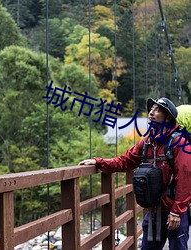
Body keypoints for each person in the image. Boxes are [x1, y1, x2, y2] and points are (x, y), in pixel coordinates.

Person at [78, 97, 191, 250]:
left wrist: (177, 212)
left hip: (174, 211)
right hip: (154, 210)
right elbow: (125, 161)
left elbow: (185, 179)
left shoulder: (180, 143)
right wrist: (99, 162)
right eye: (151, 109)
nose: (151, 112)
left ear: (168, 117)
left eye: (157, 110)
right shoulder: (146, 143)